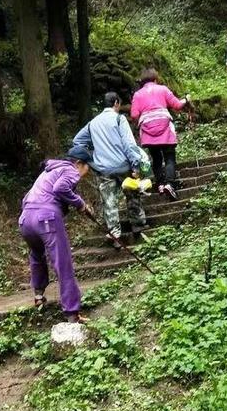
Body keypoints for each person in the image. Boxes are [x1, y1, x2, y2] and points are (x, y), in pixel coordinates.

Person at [19, 145, 94, 322]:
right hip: (46, 218)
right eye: (87, 168)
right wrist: (81, 204)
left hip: (25, 218)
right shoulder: (70, 169)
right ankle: (72, 313)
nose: (86, 173)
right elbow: (60, 189)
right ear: (79, 163)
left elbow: (28, 197)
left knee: (36, 254)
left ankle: (38, 296)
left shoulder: (48, 171)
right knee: (63, 263)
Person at [72, 92, 148, 248]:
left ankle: (115, 234)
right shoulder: (119, 119)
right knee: (132, 193)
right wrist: (135, 164)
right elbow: (129, 144)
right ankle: (137, 226)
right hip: (123, 165)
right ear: (116, 103)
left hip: (103, 169)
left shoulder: (93, 123)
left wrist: (91, 158)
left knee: (109, 201)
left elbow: (77, 141)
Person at [130, 68, 190, 200]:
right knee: (169, 157)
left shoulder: (138, 94)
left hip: (148, 131)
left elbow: (134, 115)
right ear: (155, 79)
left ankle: (161, 184)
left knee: (156, 159)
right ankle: (170, 184)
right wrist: (186, 100)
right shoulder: (162, 89)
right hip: (165, 128)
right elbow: (177, 105)